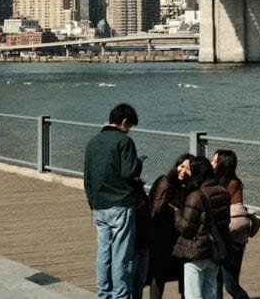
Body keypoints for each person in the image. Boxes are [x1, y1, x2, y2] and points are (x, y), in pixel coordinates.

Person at [83, 103, 144, 299]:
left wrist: (93, 202)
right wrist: (139, 163)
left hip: (100, 205)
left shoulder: (93, 141)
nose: (129, 130)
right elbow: (129, 171)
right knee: (121, 255)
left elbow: (88, 177)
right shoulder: (124, 142)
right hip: (121, 204)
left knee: (104, 252)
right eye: (130, 126)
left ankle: (103, 293)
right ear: (125, 122)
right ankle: (120, 295)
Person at [174, 156, 231, 299]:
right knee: (210, 291)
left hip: (196, 251)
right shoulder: (222, 191)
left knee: (193, 294)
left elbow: (186, 227)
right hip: (214, 249)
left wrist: (177, 213)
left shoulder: (195, 196)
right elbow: (225, 221)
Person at [148, 153, 194, 299]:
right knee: (158, 275)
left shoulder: (192, 188)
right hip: (161, 236)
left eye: (188, 168)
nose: (183, 171)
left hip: (181, 238)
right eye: (181, 166)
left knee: (184, 274)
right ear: (176, 166)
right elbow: (152, 205)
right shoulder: (163, 182)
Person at [212, 150, 250, 299]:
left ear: (223, 164)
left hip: (232, 241)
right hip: (219, 239)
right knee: (217, 281)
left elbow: (237, 213)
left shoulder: (233, 184)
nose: (211, 163)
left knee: (231, 284)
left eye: (215, 161)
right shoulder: (214, 181)